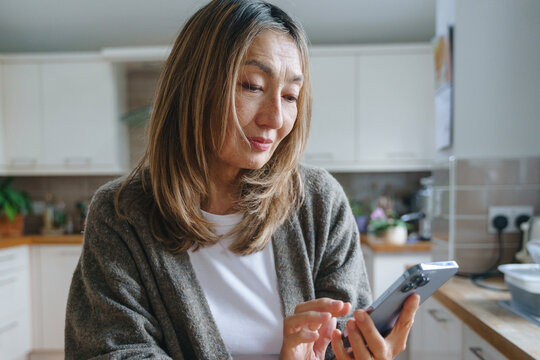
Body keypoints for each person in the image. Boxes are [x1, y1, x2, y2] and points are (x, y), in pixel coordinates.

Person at [65, 0, 419, 359]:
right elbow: (114, 351)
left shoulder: (319, 202)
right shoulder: (121, 214)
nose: (275, 118)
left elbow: (341, 342)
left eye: (290, 95)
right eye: (251, 86)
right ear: (193, 86)